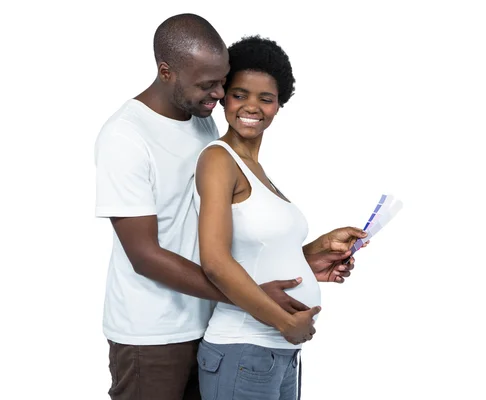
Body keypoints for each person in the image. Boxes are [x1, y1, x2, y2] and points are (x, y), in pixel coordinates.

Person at [95, 13, 366, 400]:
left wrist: (304, 261)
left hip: (210, 325)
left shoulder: (200, 121)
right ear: (166, 71)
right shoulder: (125, 136)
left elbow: (227, 234)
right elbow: (144, 254)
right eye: (208, 85)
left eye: (222, 82)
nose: (220, 95)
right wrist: (256, 300)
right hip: (153, 333)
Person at [195, 35, 363, 400]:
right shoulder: (218, 160)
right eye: (240, 94)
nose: (251, 106)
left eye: (265, 98)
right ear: (224, 96)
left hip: (279, 355)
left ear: (278, 105)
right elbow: (215, 262)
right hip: (243, 348)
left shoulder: (257, 171)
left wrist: (315, 254)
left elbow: (257, 253)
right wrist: (285, 321)